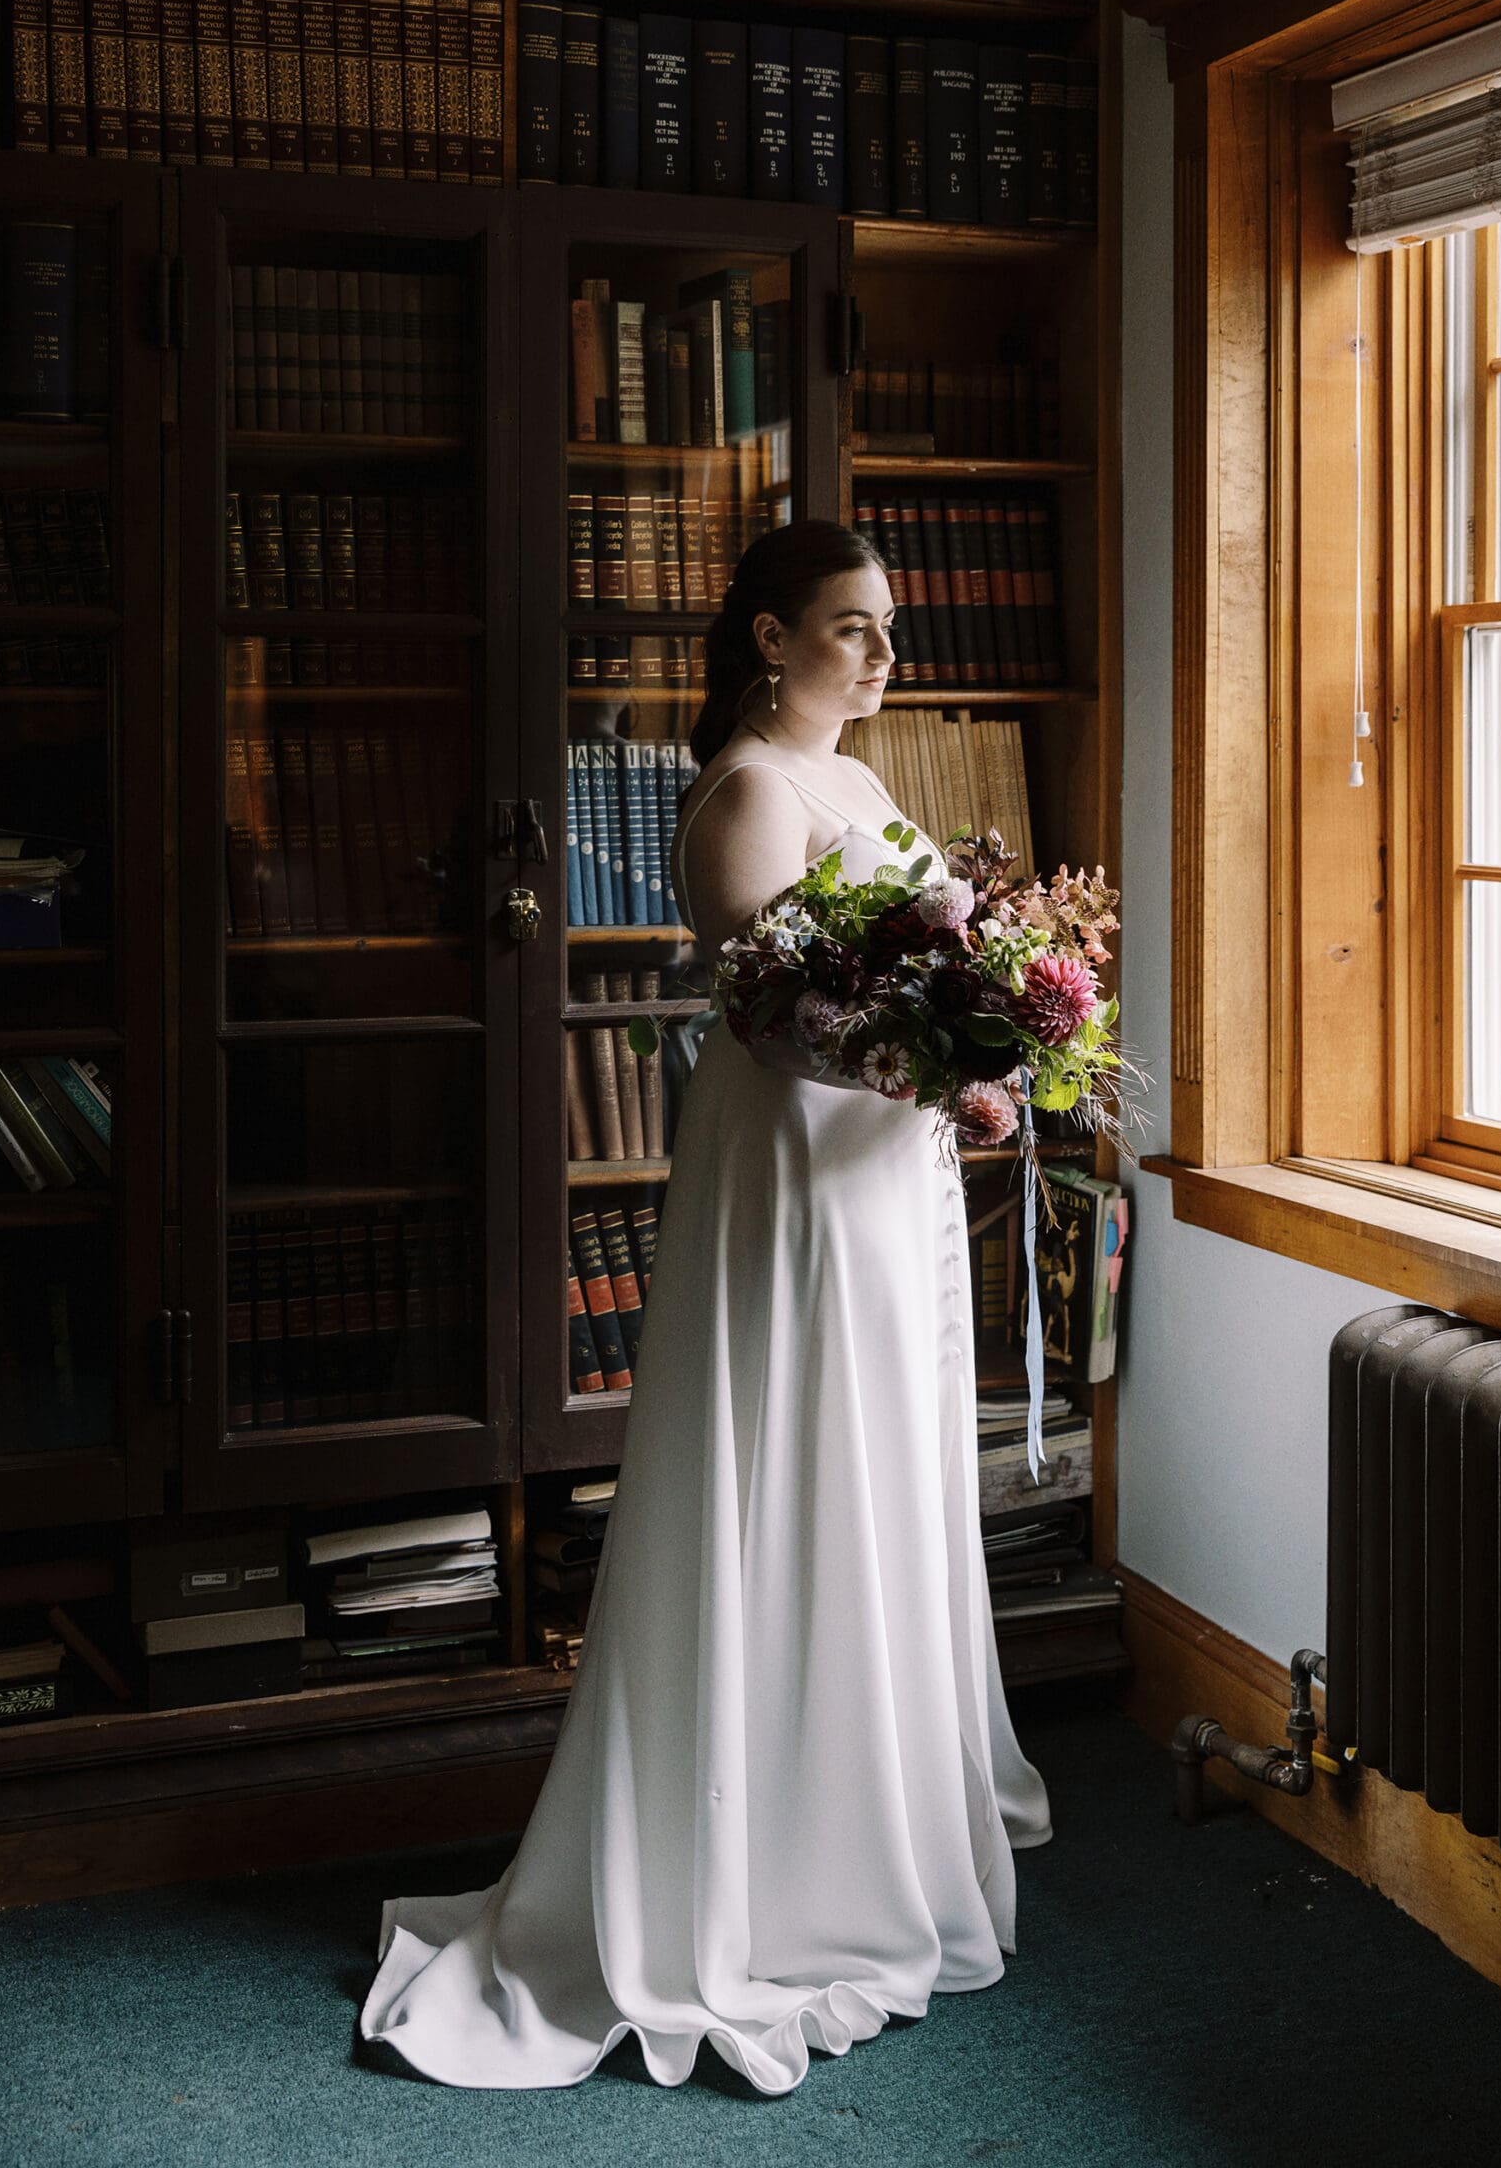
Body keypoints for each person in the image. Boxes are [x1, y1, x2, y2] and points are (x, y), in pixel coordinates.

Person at [358, 517, 1052, 2098]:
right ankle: (767, 1859)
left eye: (888, 627)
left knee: (878, 1474)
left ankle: (873, 1798)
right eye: (853, 628)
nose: (885, 656)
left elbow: (907, 984)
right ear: (768, 638)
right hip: (796, 1179)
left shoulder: (867, 786)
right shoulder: (744, 795)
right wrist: (949, 1060)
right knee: (794, 1465)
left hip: (888, 1180)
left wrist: (991, 1052)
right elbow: (774, 1019)